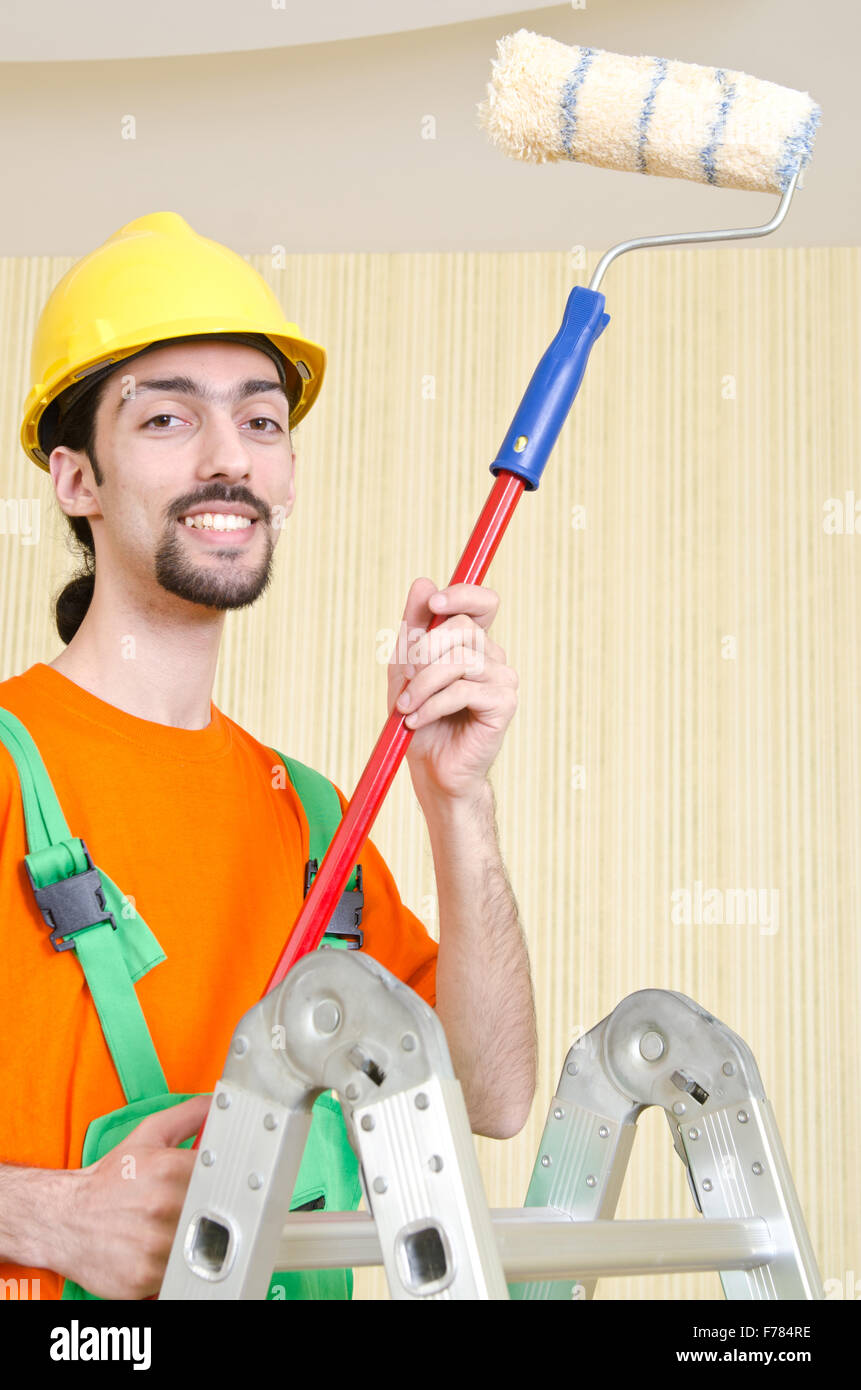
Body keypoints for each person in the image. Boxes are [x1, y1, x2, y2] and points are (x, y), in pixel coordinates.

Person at [0, 212, 537, 1300]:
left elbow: (493, 1093)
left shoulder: (311, 816)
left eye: (261, 419)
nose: (228, 457)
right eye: (166, 418)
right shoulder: (12, 767)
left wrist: (455, 800)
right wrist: (44, 1214)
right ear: (75, 480)